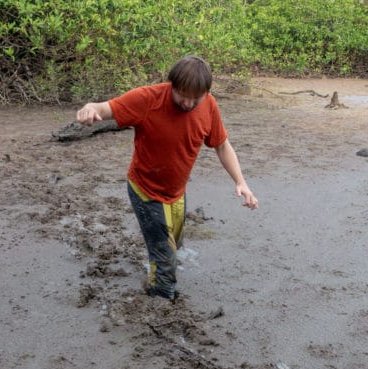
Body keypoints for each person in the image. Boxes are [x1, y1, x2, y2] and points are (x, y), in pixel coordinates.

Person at [76, 55, 258, 302]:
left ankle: (157, 263)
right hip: (145, 191)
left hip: (176, 192)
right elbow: (102, 107)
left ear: (206, 92)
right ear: (171, 84)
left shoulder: (209, 105)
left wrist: (241, 182)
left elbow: (222, 145)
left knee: (175, 244)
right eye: (182, 95)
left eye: (196, 97)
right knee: (165, 262)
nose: (188, 103)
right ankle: (160, 301)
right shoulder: (147, 99)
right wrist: (89, 109)